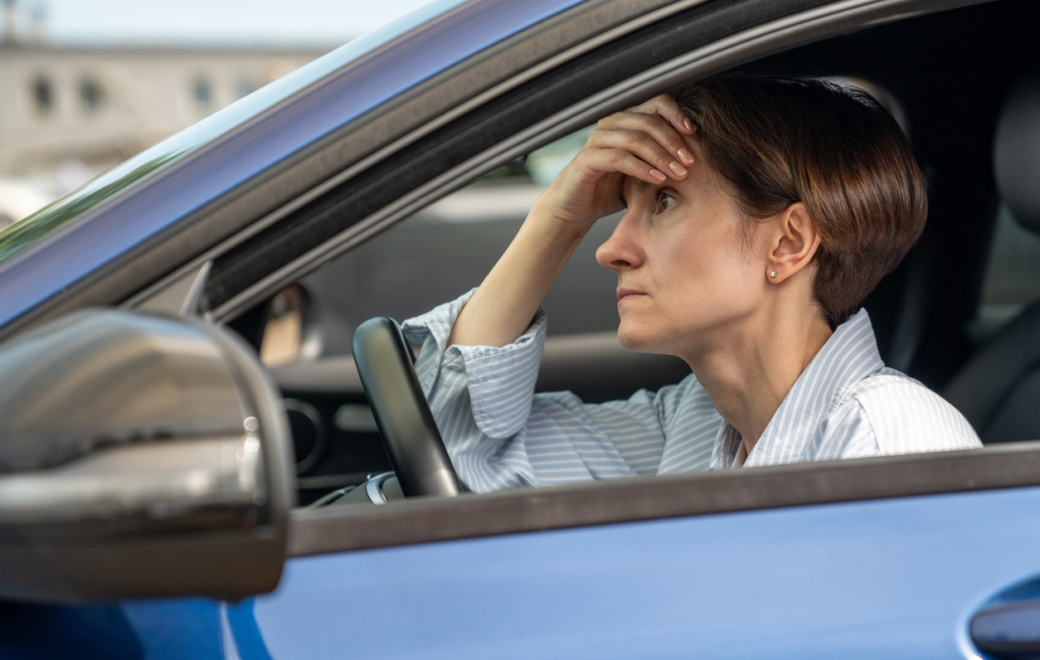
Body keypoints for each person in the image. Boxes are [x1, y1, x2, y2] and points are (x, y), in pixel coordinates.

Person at [401, 74, 981, 493]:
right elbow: (458, 455)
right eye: (623, 208)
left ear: (788, 243)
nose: (610, 250)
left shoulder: (893, 445)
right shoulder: (692, 426)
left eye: (665, 200)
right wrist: (558, 217)